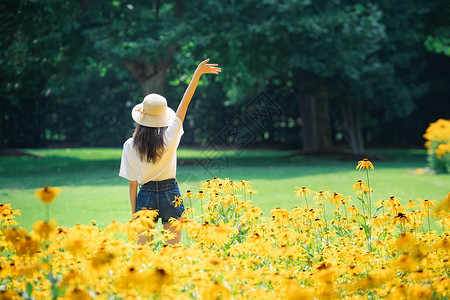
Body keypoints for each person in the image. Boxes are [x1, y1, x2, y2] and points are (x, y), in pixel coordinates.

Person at [119, 59, 221, 245]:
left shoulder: (130, 145)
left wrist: (135, 216)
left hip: (146, 194)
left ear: (142, 116)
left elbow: (133, 184)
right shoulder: (170, 136)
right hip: (170, 193)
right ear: (163, 115)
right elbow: (184, 104)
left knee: (143, 254)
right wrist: (196, 74)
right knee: (173, 255)